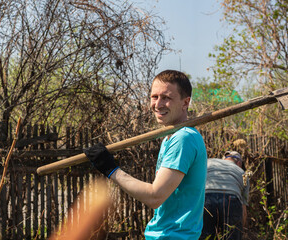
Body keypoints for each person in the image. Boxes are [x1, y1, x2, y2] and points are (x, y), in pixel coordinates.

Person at [84, 70, 208, 239]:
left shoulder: (183, 138)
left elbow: (155, 196)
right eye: (154, 97)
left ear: (185, 102)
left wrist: (111, 169)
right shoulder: (171, 138)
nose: (158, 104)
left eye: (166, 98)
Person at [200, 151, 250, 240]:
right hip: (231, 199)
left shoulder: (209, 162)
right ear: (239, 162)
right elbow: (243, 207)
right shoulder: (243, 173)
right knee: (231, 236)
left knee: (206, 236)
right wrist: (241, 229)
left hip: (207, 198)